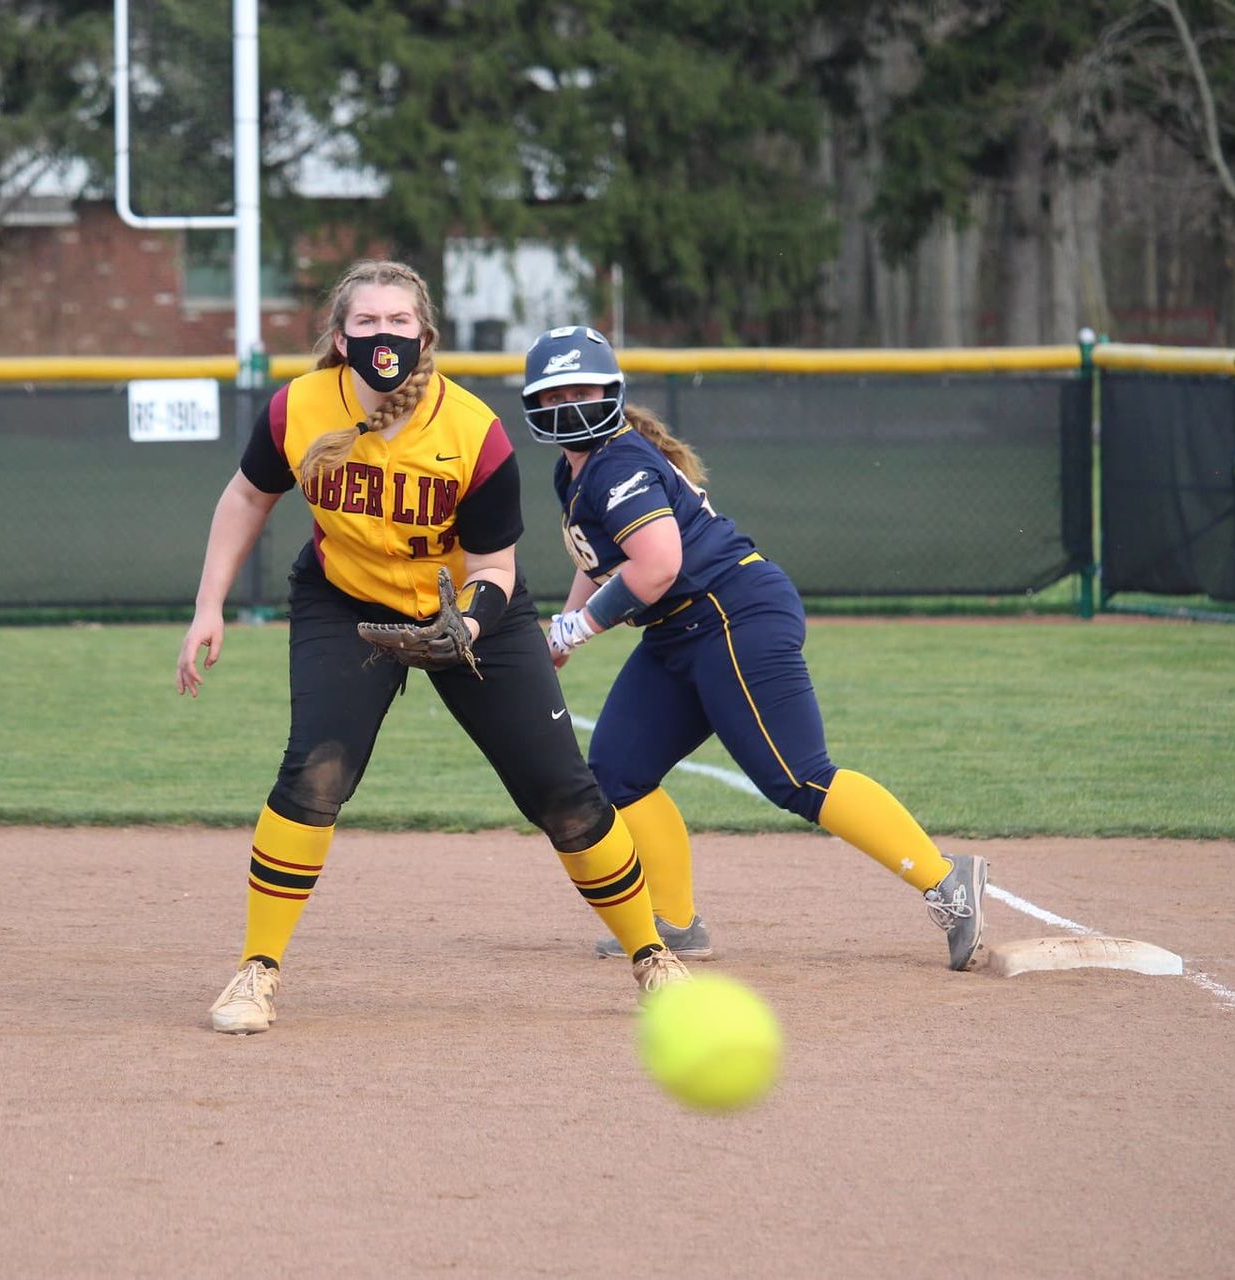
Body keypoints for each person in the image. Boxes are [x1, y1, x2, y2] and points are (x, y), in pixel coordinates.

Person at [176, 262, 689, 1034]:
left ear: (426, 334)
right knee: (314, 774)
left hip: (474, 613)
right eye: (367, 323)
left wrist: (469, 628)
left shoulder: (470, 431)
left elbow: (493, 568)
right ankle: (256, 972)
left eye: (399, 322)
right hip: (344, 600)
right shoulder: (299, 408)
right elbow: (249, 494)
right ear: (339, 336)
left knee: (563, 793)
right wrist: (208, 605)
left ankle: (653, 956)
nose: (384, 334)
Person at [521, 324, 988, 972]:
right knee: (619, 773)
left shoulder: (620, 462)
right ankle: (676, 923)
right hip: (681, 629)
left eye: (584, 387)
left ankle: (947, 880)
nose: (571, 402)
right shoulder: (575, 470)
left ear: (611, 390)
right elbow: (605, 557)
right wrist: (569, 621)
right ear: (534, 404)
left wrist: (576, 630)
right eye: (556, 391)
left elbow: (657, 565)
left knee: (797, 776)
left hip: (731, 613)